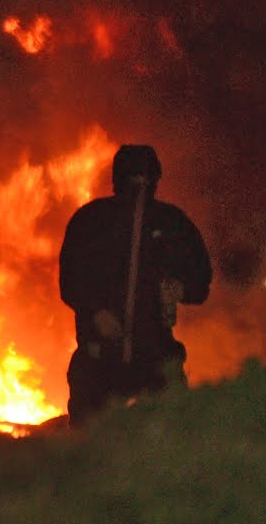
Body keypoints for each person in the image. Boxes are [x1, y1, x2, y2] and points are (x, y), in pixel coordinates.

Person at [58, 144, 212, 425]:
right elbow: (70, 281)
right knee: (91, 439)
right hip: (99, 360)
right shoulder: (91, 221)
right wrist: (96, 313)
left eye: (145, 180)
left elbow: (201, 280)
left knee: (166, 438)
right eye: (132, 180)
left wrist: (180, 288)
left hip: (155, 359)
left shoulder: (172, 224)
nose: (139, 189)